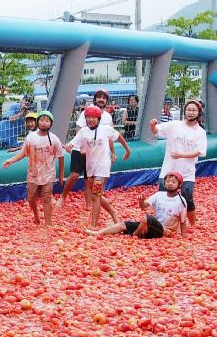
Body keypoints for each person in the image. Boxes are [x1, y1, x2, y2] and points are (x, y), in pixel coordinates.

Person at [64, 105, 131, 228]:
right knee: (98, 195)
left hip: (103, 166)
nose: (90, 120)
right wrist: (68, 145)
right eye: (88, 117)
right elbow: (72, 143)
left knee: (95, 194)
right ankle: (114, 214)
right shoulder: (83, 132)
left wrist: (127, 150)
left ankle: (93, 226)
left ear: (98, 118)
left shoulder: (106, 129)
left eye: (93, 117)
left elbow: (118, 137)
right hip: (91, 167)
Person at [150, 99, 207, 227]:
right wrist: (152, 126)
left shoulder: (200, 132)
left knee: (187, 197)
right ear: (184, 111)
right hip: (169, 170)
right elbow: (156, 131)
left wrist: (181, 155)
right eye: (188, 109)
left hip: (186, 172)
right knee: (163, 197)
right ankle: (160, 225)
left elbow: (199, 151)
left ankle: (192, 225)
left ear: (198, 113)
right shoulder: (174, 125)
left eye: (194, 110)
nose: (191, 112)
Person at [2, 110, 64, 226]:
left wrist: (61, 176)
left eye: (47, 121)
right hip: (34, 172)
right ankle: (36, 214)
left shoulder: (54, 139)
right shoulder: (31, 138)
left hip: (48, 173)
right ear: (38, 122)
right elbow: (23, 153)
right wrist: (11, 160)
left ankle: (48, 223)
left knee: (46, 197)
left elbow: (61, 157)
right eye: (42, 120)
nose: (44, 123)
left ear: (51, 123)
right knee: (30, 197)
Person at [57, 89, 116, 210]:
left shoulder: (108, 117)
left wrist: (112, 152)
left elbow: (109, 136)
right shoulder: (87, 112)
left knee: (89, 180)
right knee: (74, 175)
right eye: (99, 97)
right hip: (81, 149)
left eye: (103, 98)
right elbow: (79, 129)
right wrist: (80, 146)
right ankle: (63, 197)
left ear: (106, 100)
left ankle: (89, 205)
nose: (101, 99)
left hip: (95, 152)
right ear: (95, 99)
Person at [85, 172, 187, 238]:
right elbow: (143, 207)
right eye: (168, 181)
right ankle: (98, 233)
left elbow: (182, 221)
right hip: (152, 227)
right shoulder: (159, 195)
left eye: (173, 182)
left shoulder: (181, 201)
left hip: (165, 231)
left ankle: (135, 236)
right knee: (123, 224)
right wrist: (141, 201)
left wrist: (183, 237)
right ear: (164, 183)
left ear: (179, 185)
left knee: (148, 219)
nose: (170, 183)